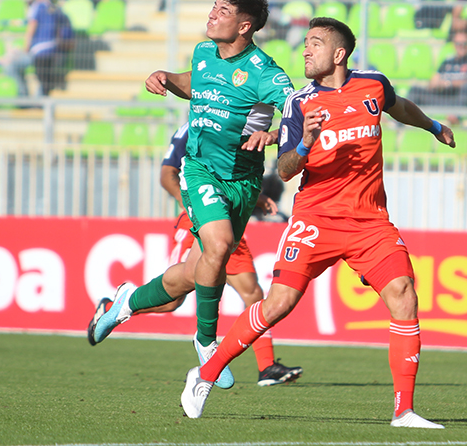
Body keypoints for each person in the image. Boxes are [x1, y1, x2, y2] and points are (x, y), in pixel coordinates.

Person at [179, 16, 454, 427]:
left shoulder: (373, 85)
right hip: (316, 219)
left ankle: (404, 410)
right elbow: (286, 170)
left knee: (404, 294)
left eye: (316, 43)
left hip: (370, 223)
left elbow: (399, 108)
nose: (306, 50)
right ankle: (205, 373)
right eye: (305, 43)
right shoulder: (298, 103)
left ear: (339, 54)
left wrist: (433, 126)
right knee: (278, 304)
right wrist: (305, 142)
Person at [88, 0, 294, 392]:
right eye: (214, 6)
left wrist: (272, 136)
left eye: (223, 10)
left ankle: (124, 302)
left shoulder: (265, 73)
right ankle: (205, 343)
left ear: (244, 25)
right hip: (199, 171)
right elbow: (192, 82)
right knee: (218, 249)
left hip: (243, 181)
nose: (213, 14)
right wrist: (166, 77)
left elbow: (297, 111)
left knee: (186, 279)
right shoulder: (203, 54)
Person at [89, 123, 305, 386]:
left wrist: (255, 198)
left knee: (252, 291)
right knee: (174, 299)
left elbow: (233, 172)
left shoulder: (241, 120)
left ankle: (267, 367)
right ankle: (117, 307)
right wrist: (197, 205)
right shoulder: (192, 127)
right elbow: (167, 174)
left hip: (229, 219)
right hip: (200, 216)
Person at [3, 0, 75, 97]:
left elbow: (32, 27)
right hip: (49, 52)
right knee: (42, 78)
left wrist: (26, 48)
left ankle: (27, 98)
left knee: (13, 67)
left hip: (40, 52)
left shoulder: (39, 7)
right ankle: (32, 100)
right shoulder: (58, 11)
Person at [408, 29, 467, 109]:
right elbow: (432, 83)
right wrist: (439, 85)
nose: (461, 46)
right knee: (415, 90)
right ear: (453, 45)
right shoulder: (448, 60)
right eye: (458, 43)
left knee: (466, 87)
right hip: (442, 98)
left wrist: (449, 83)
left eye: (464, 43)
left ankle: (456, 115)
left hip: (459, 100)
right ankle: (400, 120)